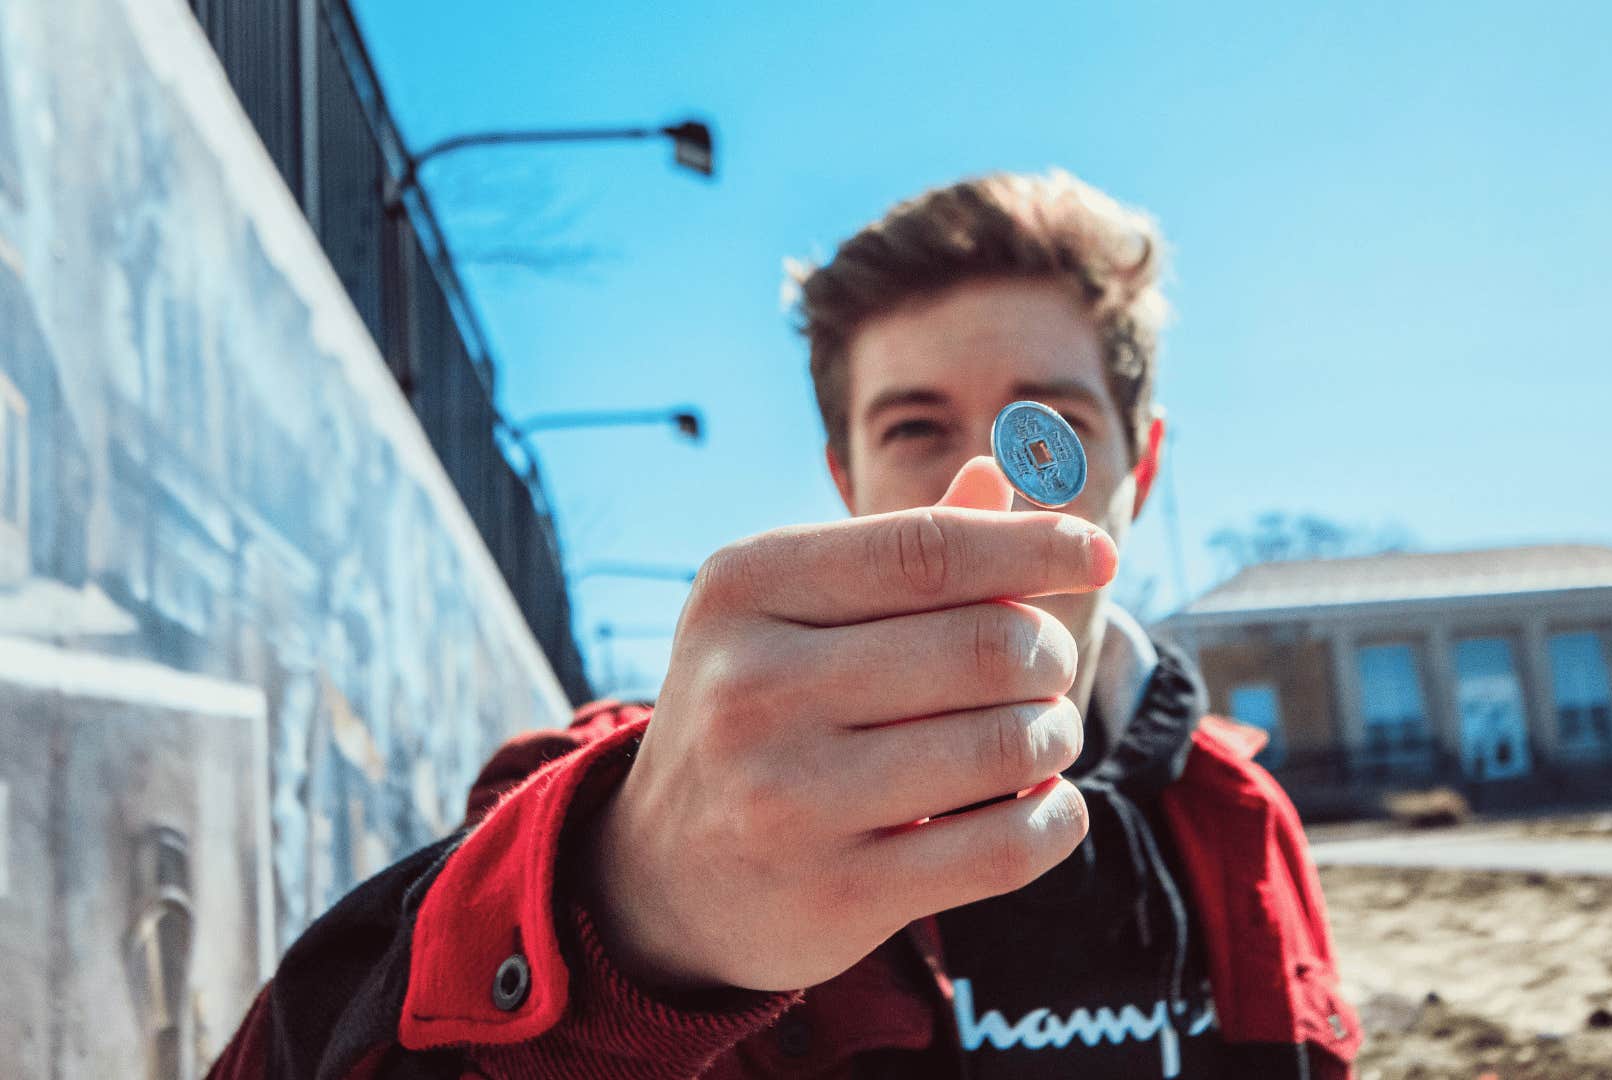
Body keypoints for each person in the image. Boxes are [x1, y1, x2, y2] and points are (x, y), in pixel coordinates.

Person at [210, 170, 1361, 1079]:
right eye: (916, 427)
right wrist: (627, 914)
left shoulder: (1240, 818)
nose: (989, 481)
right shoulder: (628, 798)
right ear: (844, 475)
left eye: (1045, 425)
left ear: (1139, 466)